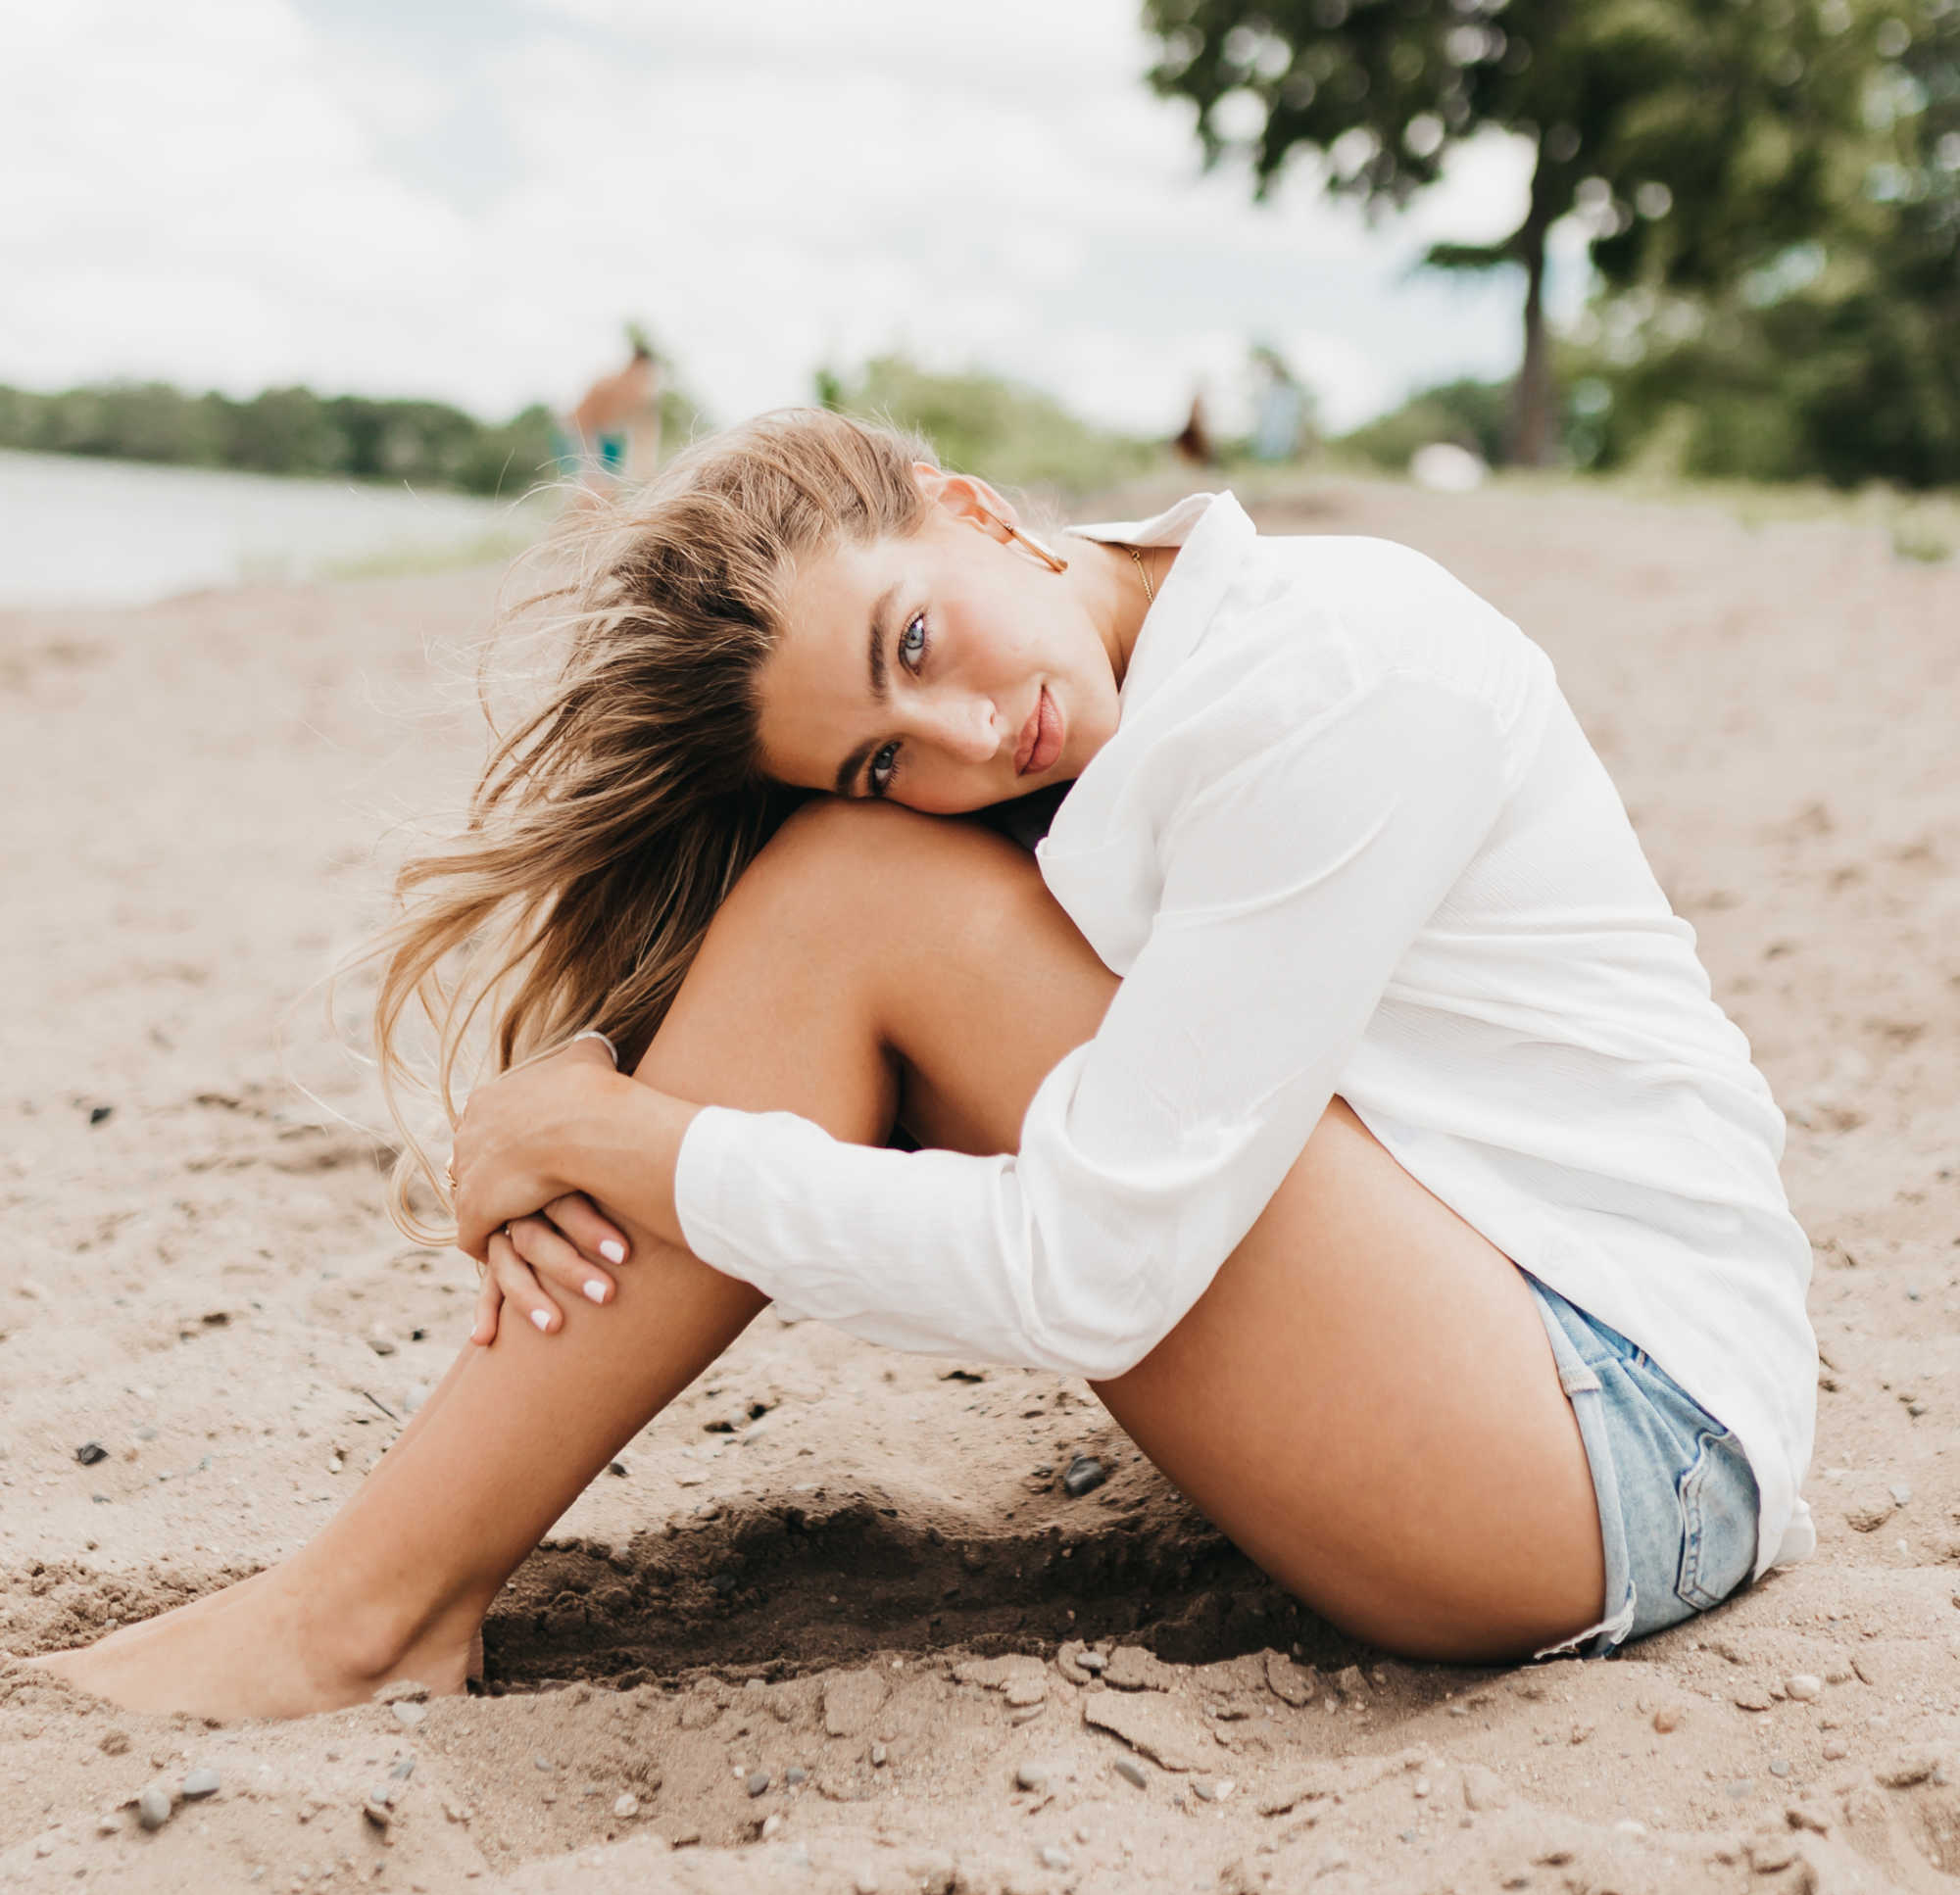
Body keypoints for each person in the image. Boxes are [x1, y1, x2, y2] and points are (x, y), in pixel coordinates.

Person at [29, 411, 1815, 1721]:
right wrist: (616, 1106)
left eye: (914, 641)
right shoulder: (1112, 708)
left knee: (850, 901)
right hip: (1529, 1363)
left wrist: (637, 1146)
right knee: (840, 888)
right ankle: (381, 1590)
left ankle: (365, 1610)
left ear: (971, 510)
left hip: (1622, 1442)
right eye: (887, 754)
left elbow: (1089, 1274)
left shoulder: (1326, 679)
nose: (965, 734)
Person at [556, 326, 663, 492]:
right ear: (633, 365)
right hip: (578, 435)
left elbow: (646, 432)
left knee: (612, 491)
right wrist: (591, 463)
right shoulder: (606, 385)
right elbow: (583, 421)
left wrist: (647, 468)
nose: (645, 377)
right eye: (642, 371)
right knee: (589, 491)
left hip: (607, 439)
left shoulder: (641, 394)